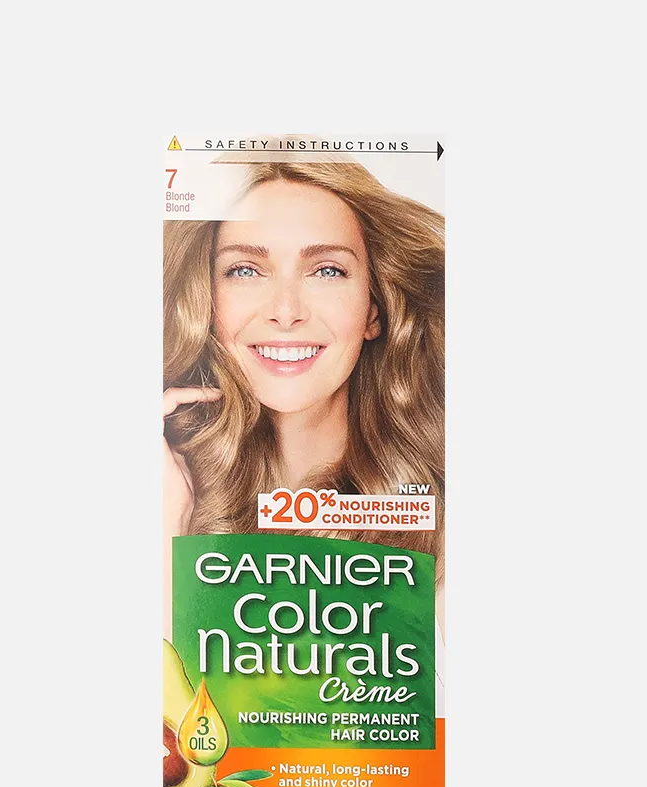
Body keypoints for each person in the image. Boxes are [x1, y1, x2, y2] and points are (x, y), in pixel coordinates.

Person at [163, 150, 445, 638]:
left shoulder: (446, 536)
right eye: (245, 270)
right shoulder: (165, 500)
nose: (286, 310)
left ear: (373, 310)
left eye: (327, 270)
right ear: (205, 301)